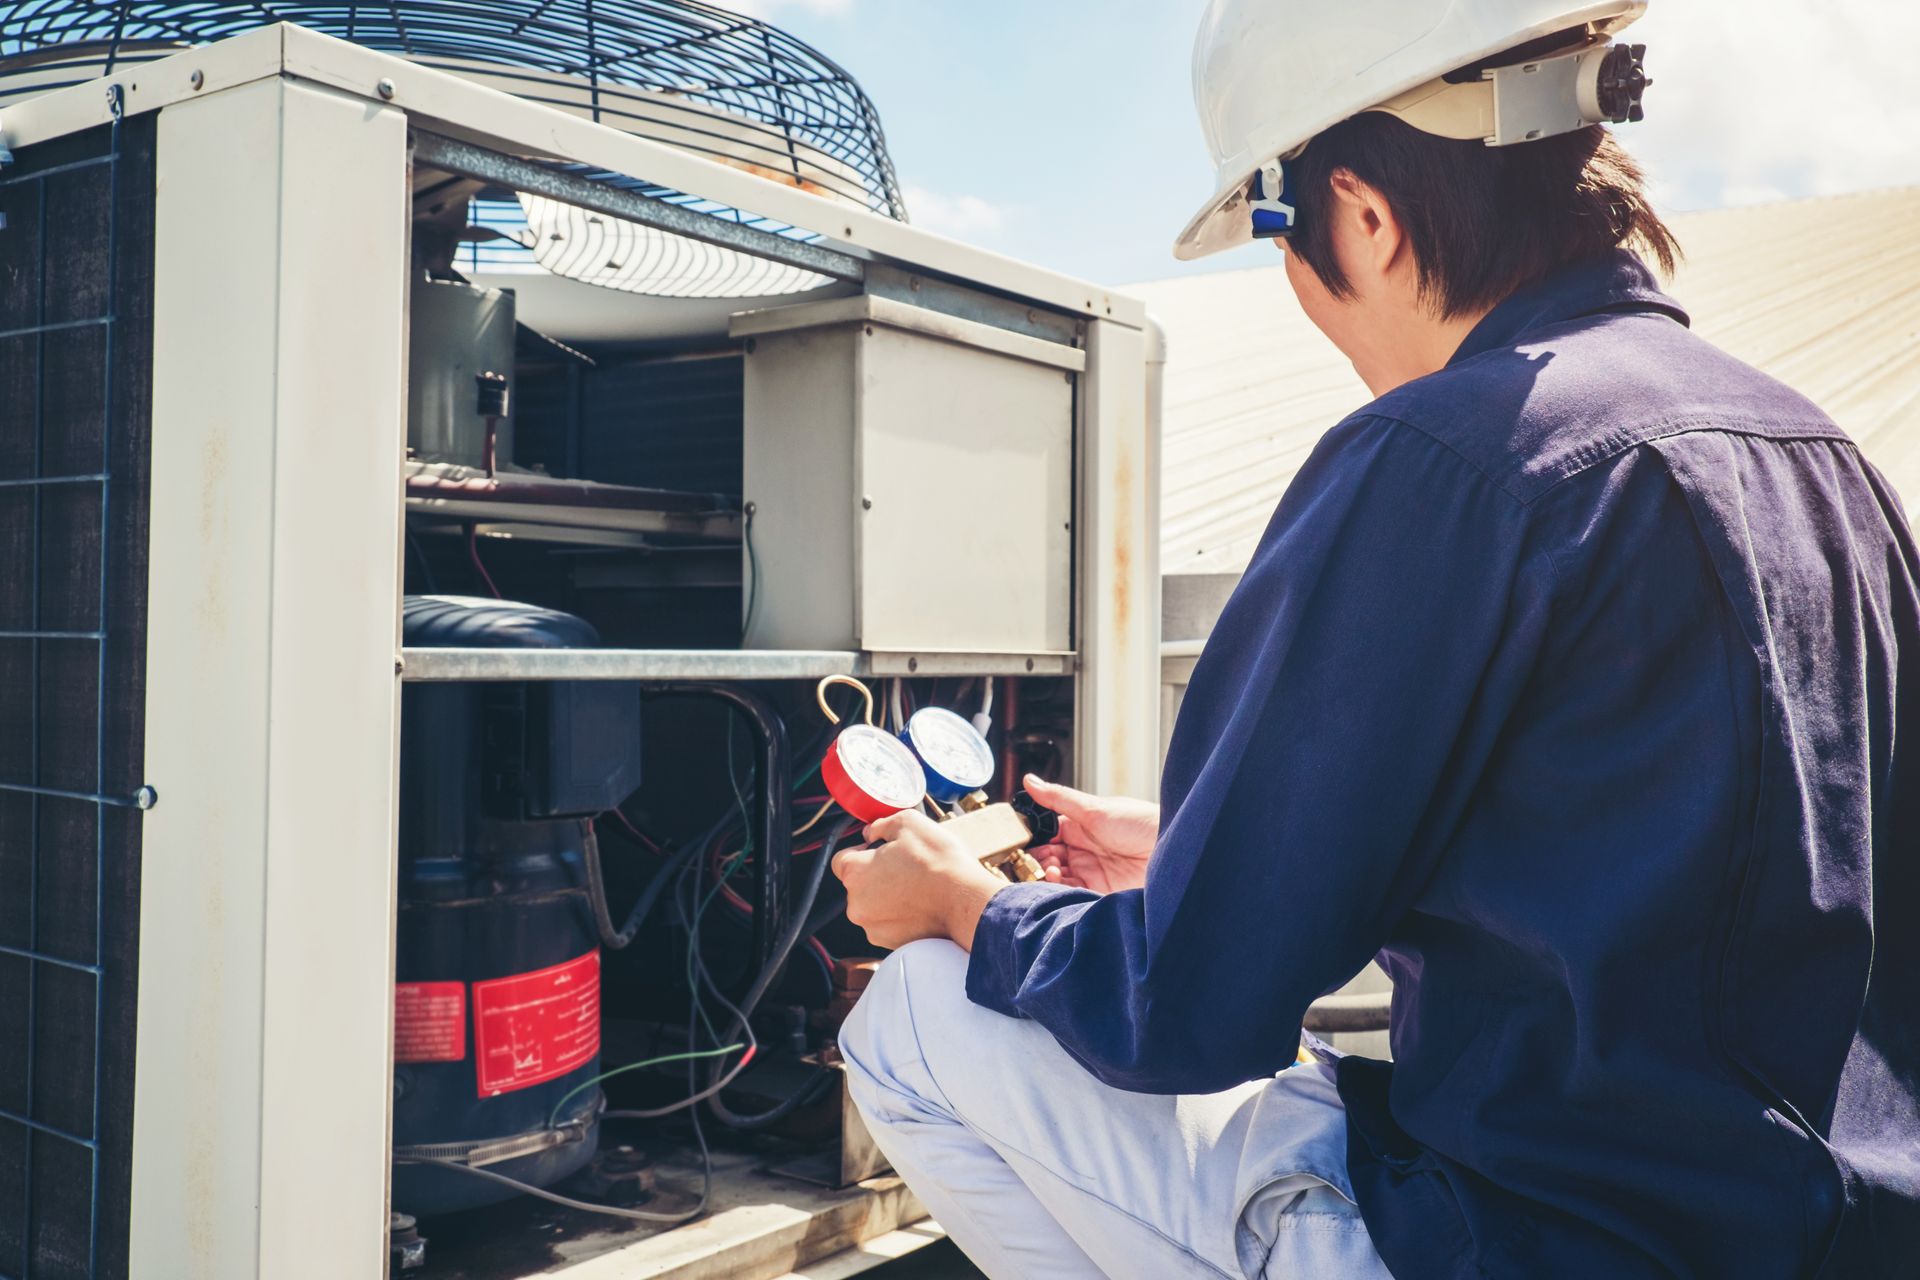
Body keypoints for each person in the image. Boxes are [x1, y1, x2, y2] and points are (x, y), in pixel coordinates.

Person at [829, 2, 1920, 1276]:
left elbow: (1187, 1007)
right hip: (1834, 1235)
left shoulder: (1439, 458)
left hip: (1533, 1240)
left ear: (1360, 211)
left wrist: (964, 904)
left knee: (911, 1018)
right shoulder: (1825, 463)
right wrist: (1199, 854)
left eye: (1277, 231)